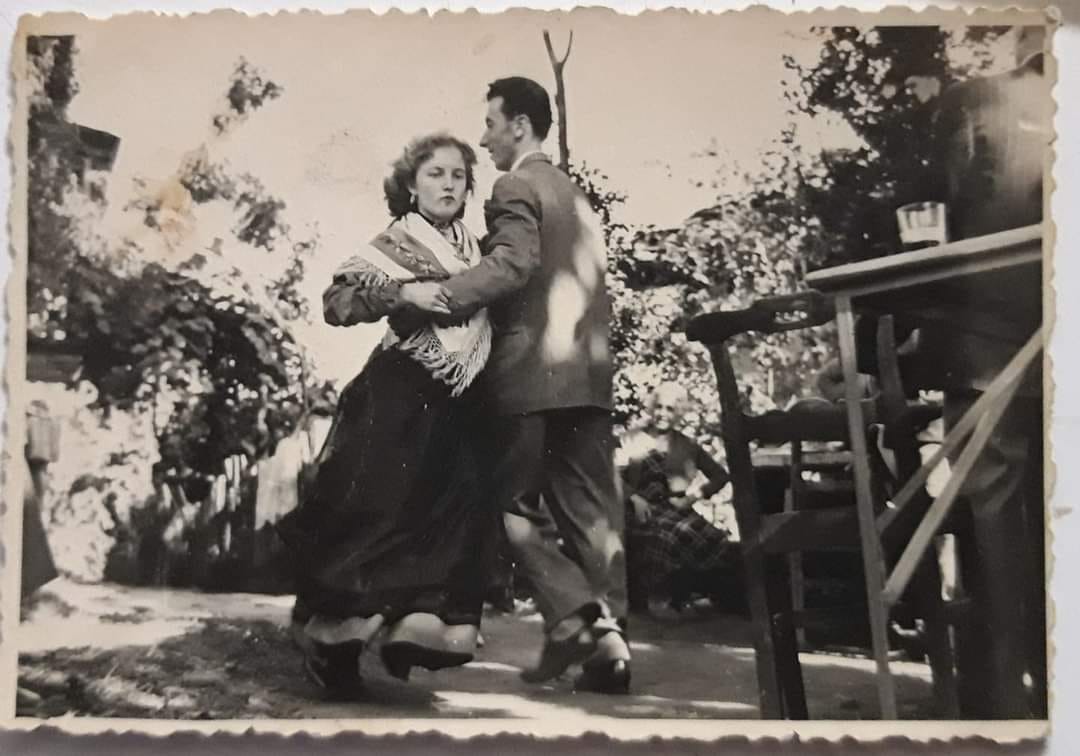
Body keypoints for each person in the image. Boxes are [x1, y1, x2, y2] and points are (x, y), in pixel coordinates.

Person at [277, 133, 495, 696]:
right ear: (411, 186)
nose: (448, 185)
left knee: (440, 523)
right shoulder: (396, 243)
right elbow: (337, 303)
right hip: (396, 400)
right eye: (435, 174)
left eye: (458, 176)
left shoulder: (480, 254)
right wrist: (403, 296)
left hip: (455, 407)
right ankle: (332, 647)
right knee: (375, 517)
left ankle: (407, 636)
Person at [433, 77, 632, 693]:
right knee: (590, 512)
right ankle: (609, 648)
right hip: (588, 374)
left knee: (511, 505)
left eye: (490, 124)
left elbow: (511, 265)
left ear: (519, 126)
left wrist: (440, 295)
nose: (484, 138)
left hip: (529, 373)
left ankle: (575, 616)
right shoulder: (577, 197)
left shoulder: (513, 186)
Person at [919, 26, 1048, 719]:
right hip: (1037, 344)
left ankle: (1002, 698)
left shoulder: (979, 100)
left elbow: (936, 214)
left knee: (991, 514)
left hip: (989, 342)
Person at [618, 383, 737, 616]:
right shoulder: (630, 439)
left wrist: (693, 498)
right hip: (638, 509)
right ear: (652, 408)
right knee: (666, 536)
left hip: (676, 507)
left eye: (670, 409)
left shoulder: (687, 445)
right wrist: (633, 497)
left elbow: (720, 476)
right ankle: (659, 599)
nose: (663, 414)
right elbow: (609, 475)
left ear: (679, 413)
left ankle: (700, 594)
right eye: (659, 407)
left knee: (715, 537)